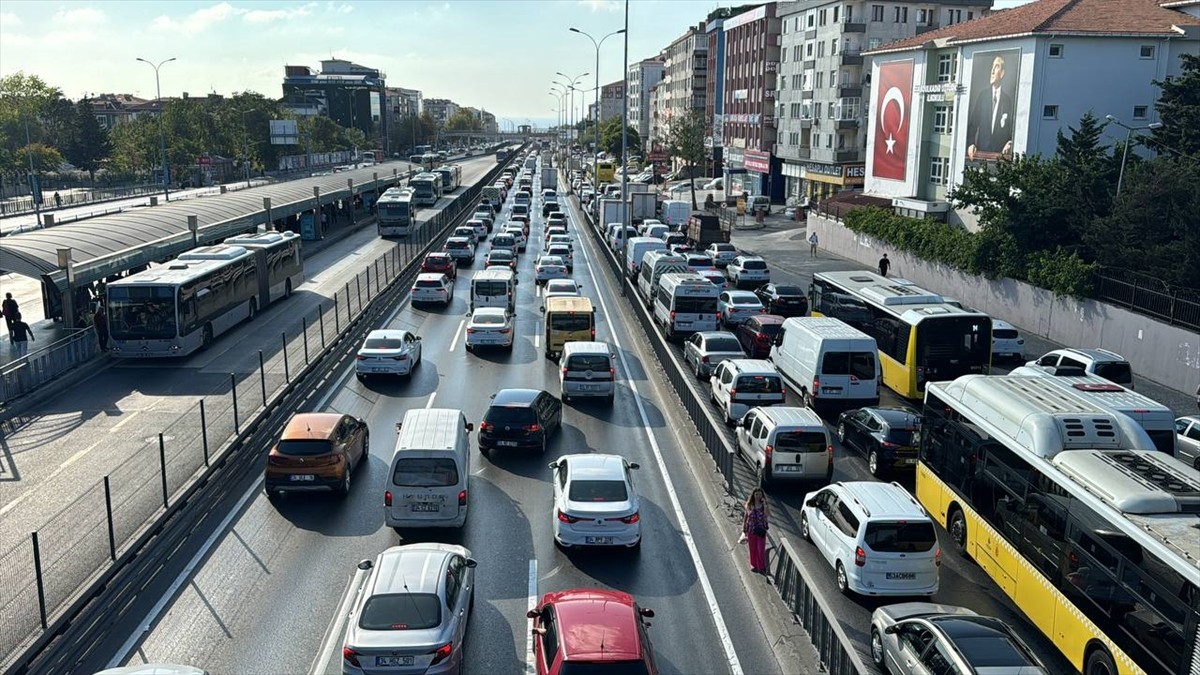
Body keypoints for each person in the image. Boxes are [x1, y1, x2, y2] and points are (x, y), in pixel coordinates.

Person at [967, 55, 1015, 161]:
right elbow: (973, 124)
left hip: (1000, 157)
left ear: (1002, 73)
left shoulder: (1008, 101)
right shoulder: (982, 96)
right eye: (992, 67)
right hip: (982, 154)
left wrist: (1010, 142)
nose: (992, 71)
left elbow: (1012, 128)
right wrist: (970, 144)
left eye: (996, 66)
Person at [742, 487, 770, 574]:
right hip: (751, 529)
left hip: (761, 530)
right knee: (752, 548)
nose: (758, 496)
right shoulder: (749, 505)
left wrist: (765, 505)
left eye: (760, 494)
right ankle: (753, 565)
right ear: (753, 495)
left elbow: (767, 514)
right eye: (756, 494)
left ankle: (761, 566)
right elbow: (746, 516)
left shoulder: (763, 506)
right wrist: (744, 527)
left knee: (760, 549)